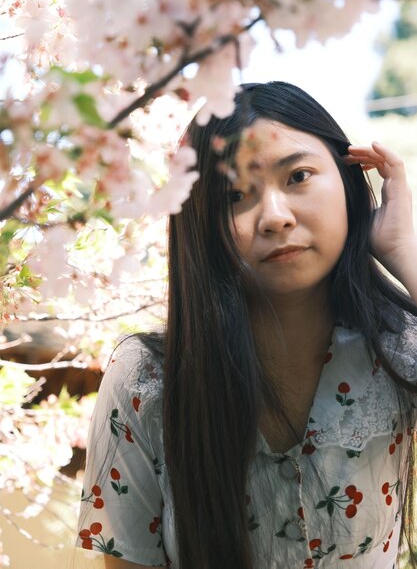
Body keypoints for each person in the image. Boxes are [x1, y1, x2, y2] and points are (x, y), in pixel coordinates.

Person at [75, 81, 417, 569]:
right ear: (201, 221)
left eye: (298, 176)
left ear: (348, 181)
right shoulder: (148, 381)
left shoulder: (397, 350)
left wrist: (404, 250)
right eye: (235, 194)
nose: (274, 217)